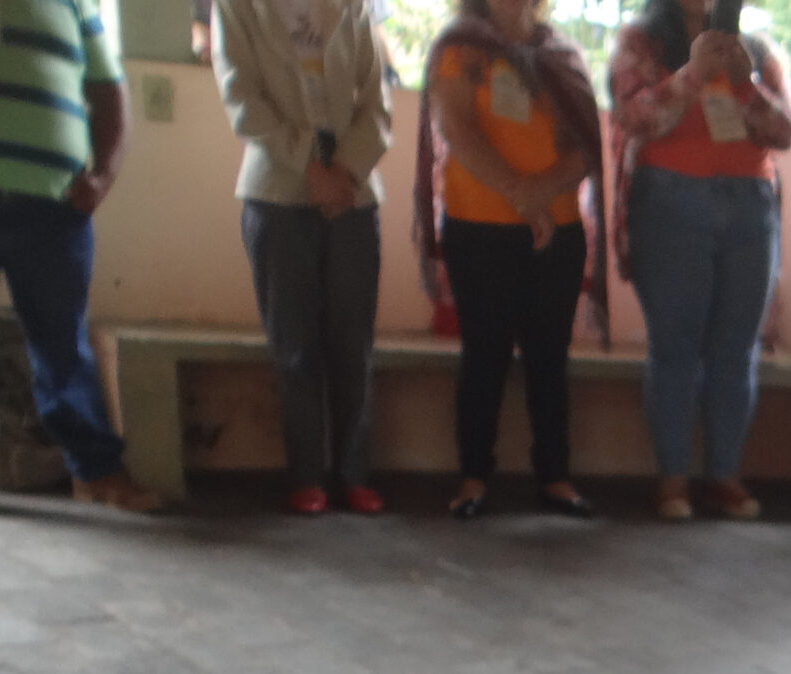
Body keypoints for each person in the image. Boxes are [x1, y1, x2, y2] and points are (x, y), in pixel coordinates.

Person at [0, 0, 160, 519]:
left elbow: (109, 91)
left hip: (54, 205)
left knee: (64, 345)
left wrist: (104, 176)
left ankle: (96, 471)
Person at [415, 0, 605, 519]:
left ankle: (555, 477)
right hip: (479, 228)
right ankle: (474, 476)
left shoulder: (563, 56)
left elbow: (586, 146)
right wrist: (522, 197)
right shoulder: (459, 50)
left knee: (549, 356)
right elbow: (458, 130)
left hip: (558, 229)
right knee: (485, 353)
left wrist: (541, 195)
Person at [609, 0, 791, 522]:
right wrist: (693, 73)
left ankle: (723, 476)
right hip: (670, 202)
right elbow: (633, 116)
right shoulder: (639, 43)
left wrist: (744, 83)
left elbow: (784, 132)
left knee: (736, 348)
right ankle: (672, 479)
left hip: (750, 206)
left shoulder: (757, 51)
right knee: (674, 346)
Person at [214, 0, 395, 517]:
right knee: (294, 344)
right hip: (276, 190)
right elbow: (242, 98)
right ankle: (306, 476)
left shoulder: (354, 6)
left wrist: (345, 171)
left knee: (353, 343)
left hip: (353, 193)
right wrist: (310, 168)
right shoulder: (237, 6)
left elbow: (377, 102)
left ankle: (354, 475)